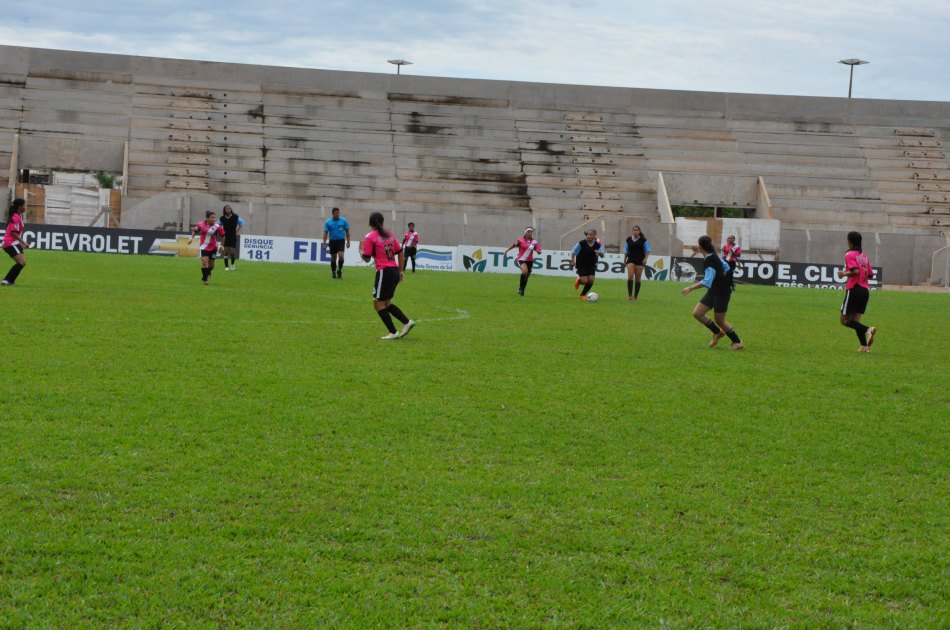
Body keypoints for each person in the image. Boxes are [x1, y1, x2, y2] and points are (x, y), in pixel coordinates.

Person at [680, 235, 744, 349]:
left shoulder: (710, 261)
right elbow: (726, 267)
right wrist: (725, 277)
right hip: (713, 291)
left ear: (702, 247)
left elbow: (706, 282)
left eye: (699, 246)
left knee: (720, 320)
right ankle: (718, 333)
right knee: (698, 313)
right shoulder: (712, 255)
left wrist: (690, 288)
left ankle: (738, 342)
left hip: (721, 293)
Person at [360, 212, 415, 340]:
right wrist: (401, 271)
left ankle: (393, 332)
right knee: (386, 303)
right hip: (394, 270)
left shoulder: (370, 237)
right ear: (382, 221)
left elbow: (367, 258)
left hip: (384, 271)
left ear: (370, 223)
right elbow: (400, 251)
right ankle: (406, 323)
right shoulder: (389, 235)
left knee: (378, 304)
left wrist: (361, 251)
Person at [837, 231, 877, 353]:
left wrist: (843, 273)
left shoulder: (849, 254)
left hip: (854, 289)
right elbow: (870, 274)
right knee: (855, 322)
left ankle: (867, 330)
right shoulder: (864, 256)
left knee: (844, 321)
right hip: (865, 291)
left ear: (849, 241)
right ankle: (864, 347)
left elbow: (855, 271)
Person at [188, 210, 225, 285]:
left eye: (214, 218)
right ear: (207, 218)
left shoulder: (217, 227)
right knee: (204, 262)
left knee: (211, 265)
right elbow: (195, 231)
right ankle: (205, 279)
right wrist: (191, 238)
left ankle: (207, 273)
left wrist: (221, 246)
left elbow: (223, 236)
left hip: (213, 247)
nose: (214, 219)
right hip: (203, 246)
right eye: (212, 217)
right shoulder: (200, 224)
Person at [504, 226, 542, 296]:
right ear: (525, 232)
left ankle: (521, 290)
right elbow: (513, 245)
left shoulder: (534, 242)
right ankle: (521, 289)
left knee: (526, 276)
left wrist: (538, 251)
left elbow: (539, 251)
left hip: (530, 261)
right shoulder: (520, 240)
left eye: (531, 232)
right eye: (528, 232)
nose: (530, 233)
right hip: (521, 259)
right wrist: (507, 250)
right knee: (525, 272)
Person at [570, 229, 605, 300]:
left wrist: (599, 252)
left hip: (592, 264)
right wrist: (572, 260)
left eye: (591, 234)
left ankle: (582, 295)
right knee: (584, 281)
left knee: (591, 280)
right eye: (588, 234)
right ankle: (579, 280)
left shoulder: (597, 245)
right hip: (581, 264)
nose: (589, 236)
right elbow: (573, 251)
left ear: (595, 236)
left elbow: (602, 255)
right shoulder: (581, 243)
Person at [1, 198, 28, 286]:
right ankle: (6, 281)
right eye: (24, 205)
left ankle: (10, 281)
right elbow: (13, 232)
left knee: (22, 263)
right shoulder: (15, 217)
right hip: (10, 243)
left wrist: (19, 242)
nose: (25, 207)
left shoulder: (18, 216)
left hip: (13, 242)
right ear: (20, 206)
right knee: (21, 262)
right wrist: (23, 242)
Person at [624, 225, 651, 301]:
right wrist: (624, 259)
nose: (635, 232)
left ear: (639, 231)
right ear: (632, 231)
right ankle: (629, 295)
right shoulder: (628, 239)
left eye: (637, 230)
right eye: (634, 230)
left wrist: (645, 259)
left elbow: (647, 250)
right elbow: (626, 250)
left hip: (640, 261)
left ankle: (635, 296)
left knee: (638, 279)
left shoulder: (643, 240)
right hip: (631, 260)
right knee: (630, 276)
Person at [323, 207, 350, 279]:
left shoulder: (343, 220)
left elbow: (347, 231)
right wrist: (324, 243)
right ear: (332, 214)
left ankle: (340, 270)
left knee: (341, 256)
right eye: (336, 213)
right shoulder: (328, 222)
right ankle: (333, 272)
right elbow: (325, 233)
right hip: (332, 241)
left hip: (341, 240)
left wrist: (348, 241)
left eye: (338, 213)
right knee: (333, 257)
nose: (338, 214)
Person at [218, 205, 245, 270]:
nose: (228, 210)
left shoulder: (235, 217)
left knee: (233, 253)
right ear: (224, 210)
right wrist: (221, 232)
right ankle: (226, 266)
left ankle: (232, 264)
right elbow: (217, 225)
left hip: (233, 236)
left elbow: (242, 223)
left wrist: (237, 231)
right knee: (226, 252)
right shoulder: (222, 218)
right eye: (227, 209)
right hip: (225, 236)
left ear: (231, 210)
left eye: (229, 208)